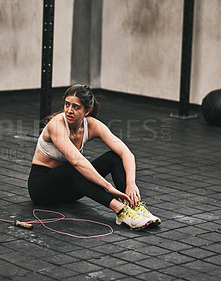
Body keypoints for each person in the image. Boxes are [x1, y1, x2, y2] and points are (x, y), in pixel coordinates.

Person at [28, 84, 160, 230]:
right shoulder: (57, 125)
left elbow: (126, 153)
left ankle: (134, 206)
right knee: (73, 166)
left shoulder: (92, 126)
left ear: (87, 110)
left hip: (69, 191)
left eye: (76, 107)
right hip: (42, 190)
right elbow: (77, 161)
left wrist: (131, 183)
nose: (69, 110)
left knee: (113, 157)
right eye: (67, 104)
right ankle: (121, 211)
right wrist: (108, 187)